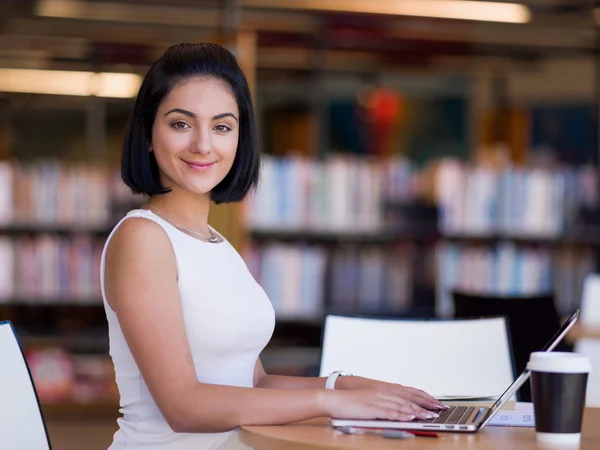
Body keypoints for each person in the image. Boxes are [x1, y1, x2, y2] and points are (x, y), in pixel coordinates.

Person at [101, 42, 446, 450]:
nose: (203, 145)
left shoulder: (216, 244)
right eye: (181, 124)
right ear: (147, 134)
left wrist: (349, 386)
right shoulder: (142, 238)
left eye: (222, 126)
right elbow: (184, 406)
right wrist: (332, 401)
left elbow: (254, 381)